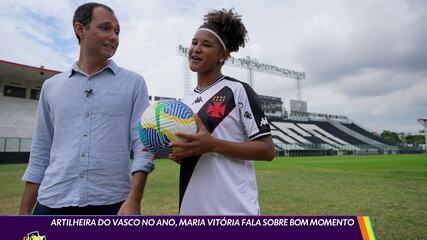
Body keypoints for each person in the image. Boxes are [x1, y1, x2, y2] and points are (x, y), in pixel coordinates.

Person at [19, 2, 154, 215]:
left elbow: (142, 144)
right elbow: (41, 151)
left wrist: (134, 199)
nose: (114, 37)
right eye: (105, 28)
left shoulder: (134, 83)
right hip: (51, 204)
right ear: (80, 29)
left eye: (117, 31)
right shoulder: (51, 86)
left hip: (112, 205)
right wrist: (25, 212)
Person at [170, 9, 275, 215]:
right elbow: (196, 155)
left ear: (223, 55)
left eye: (206, 45)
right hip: (192, 211)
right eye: (194, 42)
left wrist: (214, 145)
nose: (196, 49)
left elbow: (267, 150)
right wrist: (175, 152)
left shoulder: (237, 91)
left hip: (233, 211)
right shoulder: (184, 102)